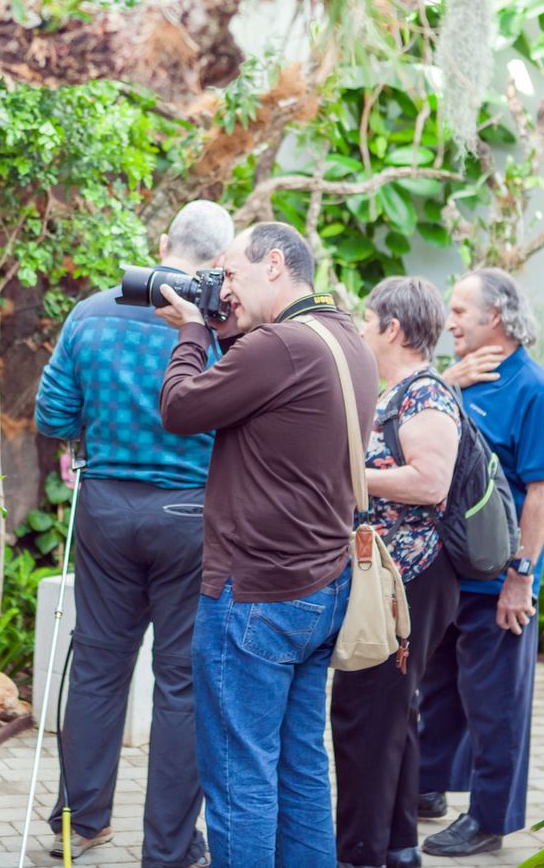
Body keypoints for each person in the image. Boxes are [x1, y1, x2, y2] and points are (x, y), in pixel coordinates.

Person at [154, 222, 376, 868]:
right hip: (319, 588)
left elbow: (180, 408)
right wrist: (218, 327)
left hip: (254, 596)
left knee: (239, 777)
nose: (223, 288)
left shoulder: (279, 347)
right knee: (301, 768)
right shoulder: (343, 338)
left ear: (274, 263)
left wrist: (194, 330)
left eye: (230, 273)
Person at [33, 199, 235, 867]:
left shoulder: (91, 312)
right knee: (181, 679)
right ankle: (170, 850)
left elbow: (54, 414)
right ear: (220, 261)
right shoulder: (219, 327)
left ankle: (81, 822)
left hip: (106, 507)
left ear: (164, 240)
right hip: (191, 514)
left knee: (96, 663)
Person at [417, 268, 544, 858]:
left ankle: (489, 819)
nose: (449, 321)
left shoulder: (532, 389)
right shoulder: (463, 378)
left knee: (495, 705)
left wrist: (518, 579)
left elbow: (543, 492)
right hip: (453, 577)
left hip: (499, 585)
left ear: (494, 317)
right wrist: (444, 382)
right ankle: (428, 788)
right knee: (442, 693)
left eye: (459, 311)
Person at [331, 277, 463, 868]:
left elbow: (430, 482)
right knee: (389, 714)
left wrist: (348, 477)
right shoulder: (398, 392)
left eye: (367, 317)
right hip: (395, 576)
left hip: (412, 578)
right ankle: (396, 845)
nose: (360, 327)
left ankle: (360, 852)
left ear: (393, 329)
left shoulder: (424, 396)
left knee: (366, 714)